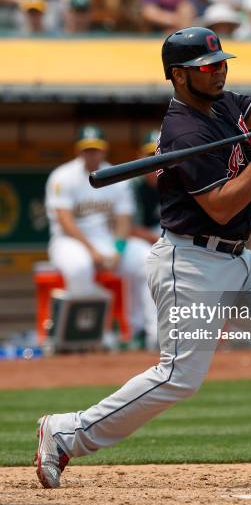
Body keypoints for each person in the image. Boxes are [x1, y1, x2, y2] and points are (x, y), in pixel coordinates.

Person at [35, 27, 251, 490]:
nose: (218, 72)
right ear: (179, 76)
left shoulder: (222, 102)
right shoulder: (183, 131)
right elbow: (223, 206)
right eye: (206, 67)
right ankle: (65, 432)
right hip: (192, 262)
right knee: (180, 376)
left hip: (240, 261)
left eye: (221, 64)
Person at [44, 124, 156, 349]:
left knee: (147, 260)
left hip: (106, 239)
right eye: (87, 149)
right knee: (79, 268)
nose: (91, 154)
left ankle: (147, 332)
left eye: (95, 149)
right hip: (69, 241)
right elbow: (65, 221)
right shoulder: (62, 176)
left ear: (104, 150)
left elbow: (123, 219)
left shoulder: (116, 175)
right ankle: (98, 331)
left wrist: (119, 249)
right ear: (78, 150)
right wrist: (92, 250)